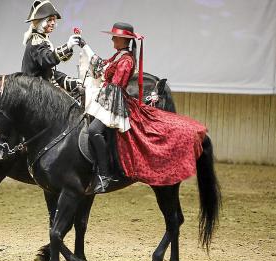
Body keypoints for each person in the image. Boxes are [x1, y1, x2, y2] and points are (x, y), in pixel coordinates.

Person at [80, 22, 207, 194]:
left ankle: (104, 175)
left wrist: (93, 89)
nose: (112, 39)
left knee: (95, 130)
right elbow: (101, 66)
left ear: (124, 40)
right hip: (108, 98)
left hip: (114, 101)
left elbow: (116, 84)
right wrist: (85, 46)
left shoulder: (126, 60)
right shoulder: (118, 56)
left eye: (115, 37)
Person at [21, 0, 81, 92]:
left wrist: (70, 81)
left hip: (41, 85)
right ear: (41, 22)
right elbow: (48, 59)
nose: (53, 23)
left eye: (54, 19)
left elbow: (48, 72)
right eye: (50, 20)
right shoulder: (36, 42)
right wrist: (67, 46)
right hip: (34, 91)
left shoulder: (41, 39)